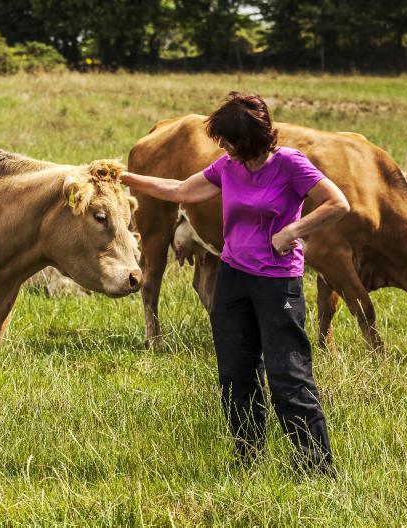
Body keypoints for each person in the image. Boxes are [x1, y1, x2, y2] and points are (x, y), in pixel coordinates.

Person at [122, 92, 350, 474]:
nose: (223, 146)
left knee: (287, 375)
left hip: (277, 282)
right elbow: (179, 190)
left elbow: (337, 203)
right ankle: (247, 456)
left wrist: (292, 230)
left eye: (229, 139)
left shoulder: (290, 163)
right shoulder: (228, 166)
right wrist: (125, 177)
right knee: (235, 374)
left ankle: (315, 465)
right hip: (233, 278)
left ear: (252, 137)